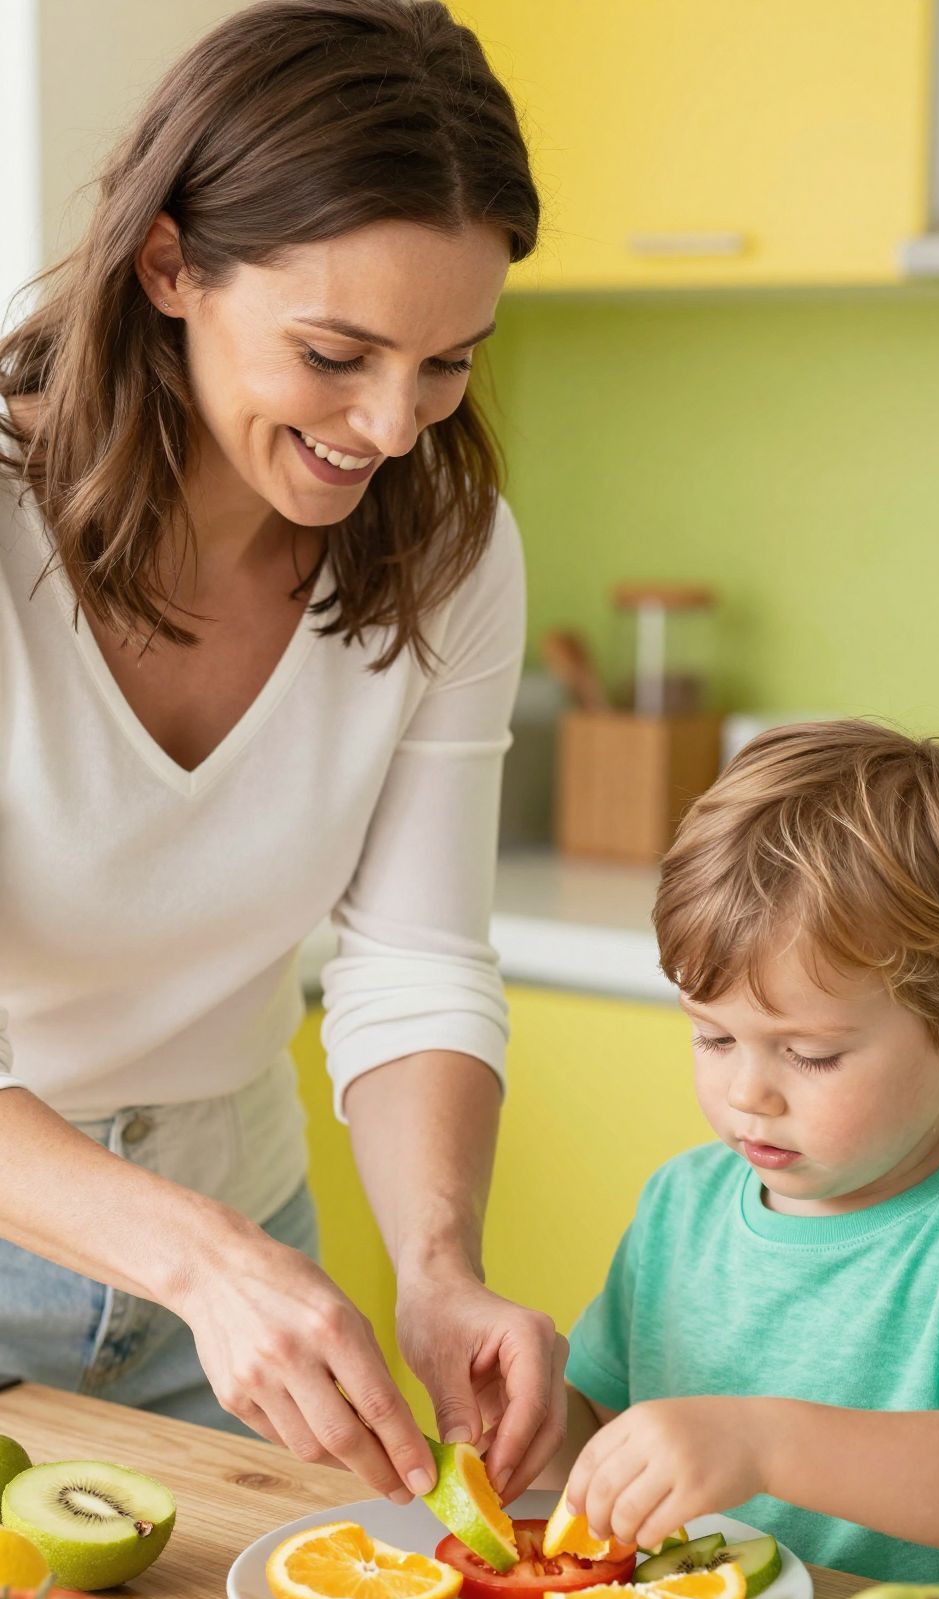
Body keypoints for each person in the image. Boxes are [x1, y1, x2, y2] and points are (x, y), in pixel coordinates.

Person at [0, 0, 567, 1506]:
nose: (391, 426)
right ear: (171, 265)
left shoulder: (447, 550)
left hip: (240, 1218)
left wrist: (436, 1266)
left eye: (448, 363)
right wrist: (204, 1260)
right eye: (336, 353)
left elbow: (415, 956)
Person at [549, 720, 939, 1599]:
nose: (749, 1093)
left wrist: (764, 1443)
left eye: (810, 1054)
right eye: (713, 1036)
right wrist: (535, 1404)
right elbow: (593, 1433)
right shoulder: (681, 1206)